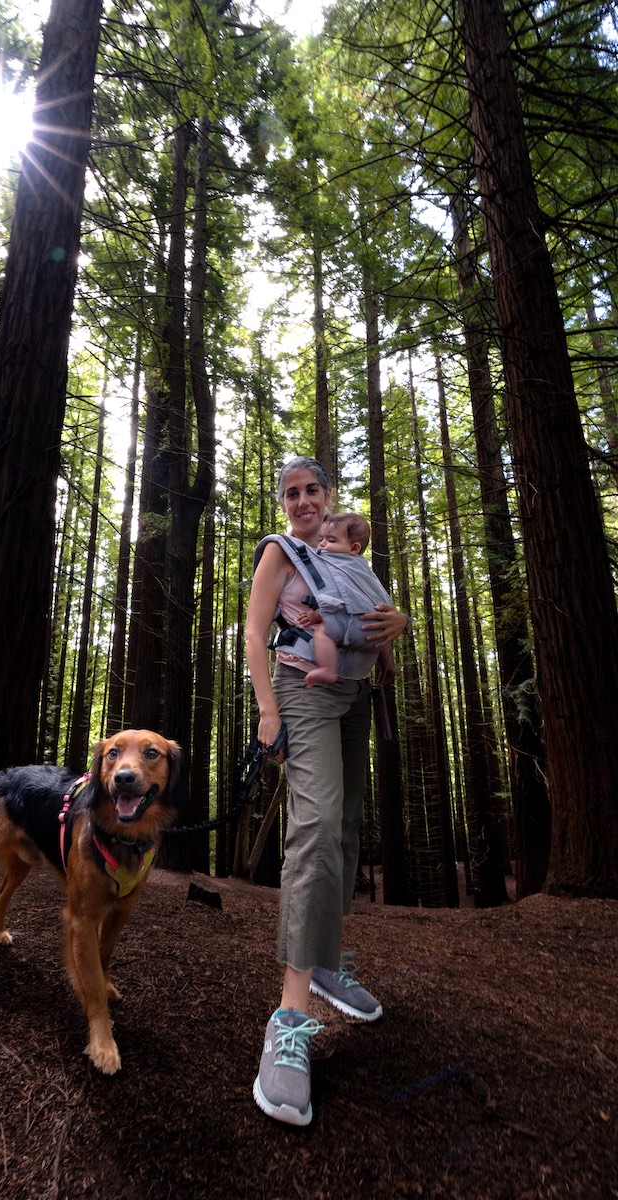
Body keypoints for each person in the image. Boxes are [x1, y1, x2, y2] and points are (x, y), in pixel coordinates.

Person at [246, 457, 408, 1127]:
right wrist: (267, 712)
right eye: (293, 493)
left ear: (329, 496)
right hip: (298, 693)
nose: (304, 500)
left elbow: (377, 632)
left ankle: (327, 963)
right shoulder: (281, 554)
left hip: (355, 696)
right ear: (284, 503)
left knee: (345, 829)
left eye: (313, 490)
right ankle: (291, 1017)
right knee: (314, 829)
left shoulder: (349, 555)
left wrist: (399, 628)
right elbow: (255, 631)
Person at [296, 511, 391, 688]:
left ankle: (327, 669)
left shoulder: (336, 564)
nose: (322, 545)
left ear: (354, 548)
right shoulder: (364, 569)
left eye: (331, 540)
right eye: (321, 539)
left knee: (322, 631)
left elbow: (335, 599)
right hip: (380, 634)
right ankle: (389, 669)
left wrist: (316, 615)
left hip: (357, 626)